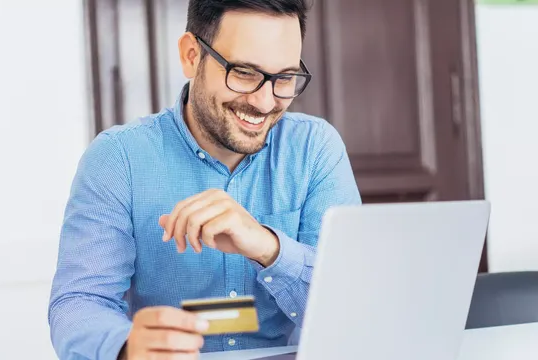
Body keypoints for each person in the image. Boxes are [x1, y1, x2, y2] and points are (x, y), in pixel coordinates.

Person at [48, 0, 361, 359]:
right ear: (191, 55)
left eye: (284, 78)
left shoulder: (315, 149)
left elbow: (350, 309)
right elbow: (79, 302)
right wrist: (125, 347)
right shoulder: (118, 159)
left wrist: (268, 248)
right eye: (244, 72)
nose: (264, 101)